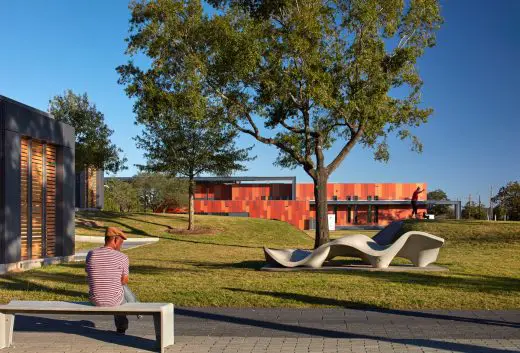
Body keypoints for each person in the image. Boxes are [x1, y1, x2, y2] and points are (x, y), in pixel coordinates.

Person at [85, 227, 146, 335]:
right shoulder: (122, 257)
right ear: (115, 240)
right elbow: (124, 281)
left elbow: (89, 273)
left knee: (116, 288)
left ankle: (138, 308)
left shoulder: (91, 254)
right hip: (113, 300)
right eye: (121, 243)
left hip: (94, 300)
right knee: (120, 290)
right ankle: (123, 327)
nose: (121, 246)